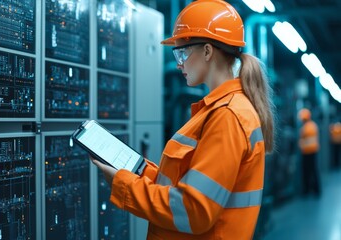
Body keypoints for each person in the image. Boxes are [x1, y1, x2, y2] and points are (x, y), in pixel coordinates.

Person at [92, 0, 274, 239]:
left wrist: (126, 185)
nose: (178, 64)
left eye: (182, 52)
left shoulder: (228, 116)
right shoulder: (217, 111)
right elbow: (184, 185)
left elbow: (194, 211)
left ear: (207, 51)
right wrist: (141, 173)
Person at [298, 108, 321, 196]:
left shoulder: (305, 128)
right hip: (313, 151)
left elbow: (303, 140)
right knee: (314, 171)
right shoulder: (313, 125)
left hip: (307, 152)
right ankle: (316, 190)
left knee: (307, 172)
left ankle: (306, 190)